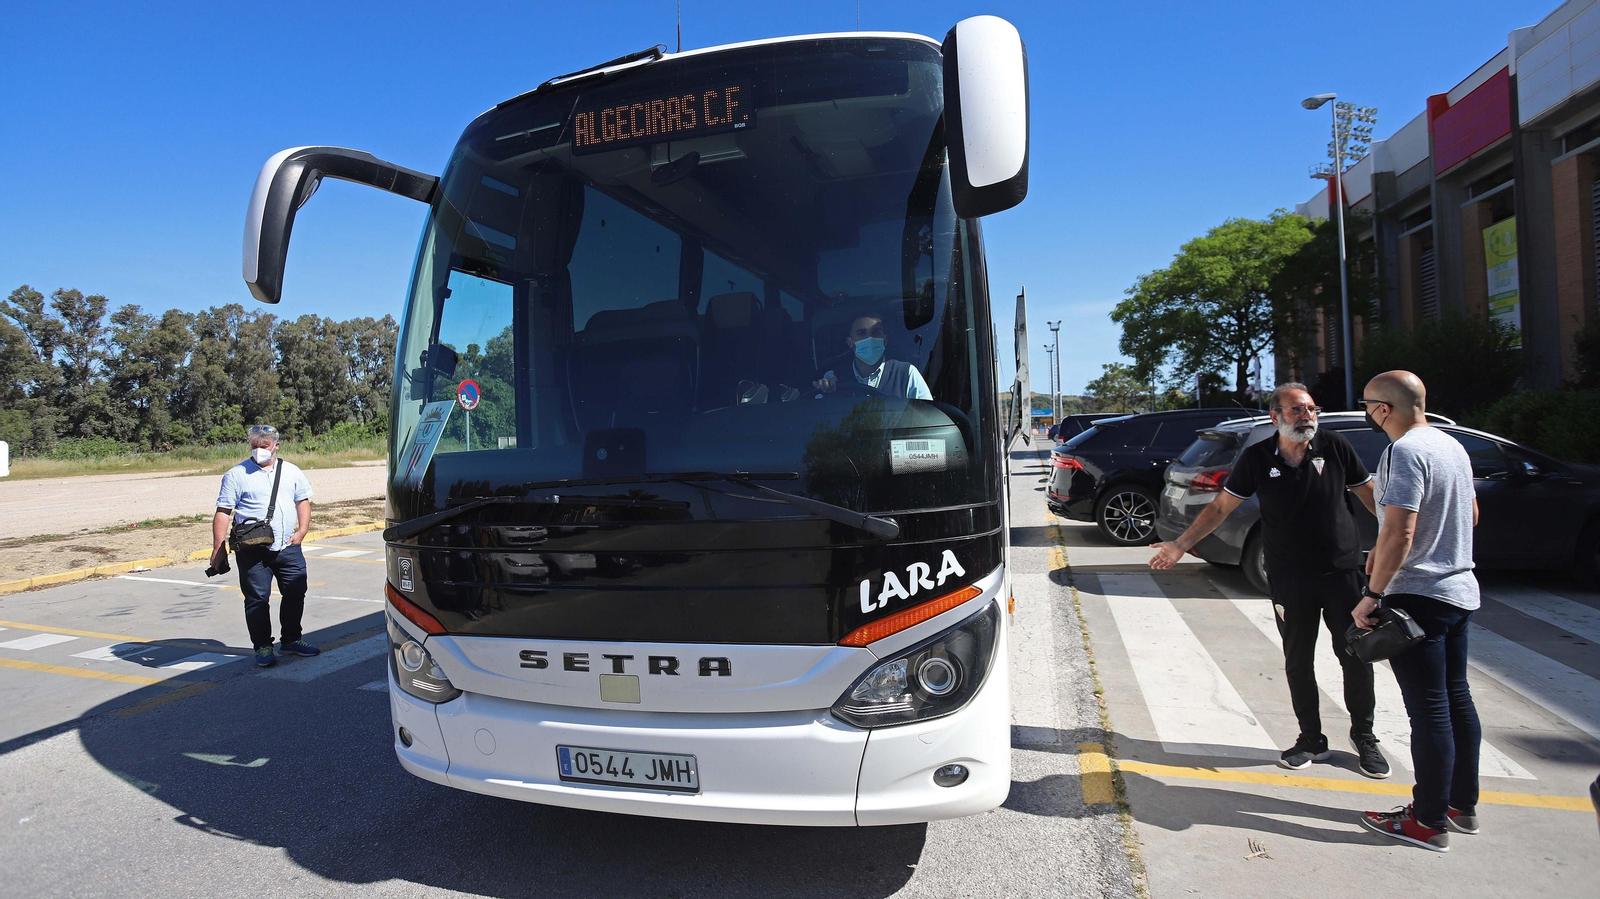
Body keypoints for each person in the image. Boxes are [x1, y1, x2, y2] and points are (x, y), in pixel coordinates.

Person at [1149, 383, 1389, 778]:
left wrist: (1391, 540)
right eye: (1297, 410)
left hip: (1342, 572)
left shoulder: (1334, 446)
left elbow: (1369, 494)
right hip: (1289, 577)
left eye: (1311, 409)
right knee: (1298, 659)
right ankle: (1311, 739)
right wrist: (1180, 544)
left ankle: (1364, 736)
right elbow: (1222, 507)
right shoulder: (1258, 457)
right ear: (1276, 417)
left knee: (1355, 655)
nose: (1307, 416)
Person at [1354, 370, 1481, 852]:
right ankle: (1460, 806)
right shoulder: (1452, 445)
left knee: (1429, 712)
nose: (1368, 414)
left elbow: (1399, 531)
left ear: (1383, 409)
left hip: (1418, 596)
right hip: (1458, 589)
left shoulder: (1403, 451)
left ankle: (1426, 821)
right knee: (1456, 699)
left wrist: (1372, 593)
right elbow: (1471, 516)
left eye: (1368, 406)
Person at [211, 425, 320, 668]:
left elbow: (302, 501)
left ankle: (291, 639)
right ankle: (262, 646)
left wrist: (302, 531)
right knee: (257, 599)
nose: (259, 450)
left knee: (295, 592)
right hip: (253, 549)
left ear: (276, 446)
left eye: (264, 446)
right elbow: (223, 512)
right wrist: (219, 548)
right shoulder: (236, 474)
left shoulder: (291, 471)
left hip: (288, 546)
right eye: (255, 446)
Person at [812, 313, 933, 400]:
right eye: (861, 333)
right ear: (850, 342)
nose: (869, 338)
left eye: (875, 332)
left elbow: (926, 416)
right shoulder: (834, 377)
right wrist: (827, 392)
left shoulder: (907, 374)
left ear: (885, 340)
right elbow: (820, 418)